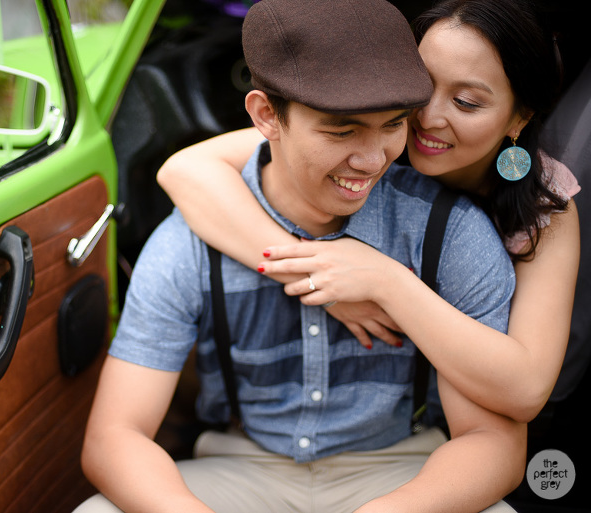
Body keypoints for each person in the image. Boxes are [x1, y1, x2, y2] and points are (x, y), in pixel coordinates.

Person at [77, 0, 524, 511]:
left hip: (404, 471)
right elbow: (114, 437)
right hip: (240, 470)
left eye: (393, 125)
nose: (372, 159)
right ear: (266, 115)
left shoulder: (449, 231)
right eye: (342, 130)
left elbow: (493, 443)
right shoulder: (188, 242)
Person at [157, 0, 581, 424]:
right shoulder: (375, 135)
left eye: (466, 102)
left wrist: (385, 281)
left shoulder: (545, 208)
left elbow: (527, 389)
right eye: (421, 86)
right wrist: (315, 279)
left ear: (519, 117)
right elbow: (184, 170)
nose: (427, 117)